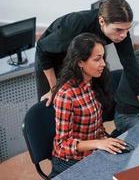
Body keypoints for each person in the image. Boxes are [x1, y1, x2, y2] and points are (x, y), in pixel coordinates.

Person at [35, 0, 139, 119]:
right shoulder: (78, 23)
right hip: (51, 58)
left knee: (85, 102)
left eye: (127, 29)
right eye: (119, 30)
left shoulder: (121, 32)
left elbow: (131, 67)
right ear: (102, 21)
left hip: (80, 58)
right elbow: (41, 48)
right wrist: (55, 88)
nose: (123, 35)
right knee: (54, 106)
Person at [50, 33, 126, 177]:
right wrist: (98, 143)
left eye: (103, 57)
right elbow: (62, 145)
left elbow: (97, 126)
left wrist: (105, 140)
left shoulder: (93, 83)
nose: (103, 63)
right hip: (70, 159)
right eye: (97, 59)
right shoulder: (66, 95)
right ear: (80, 62)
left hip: (93, 151)